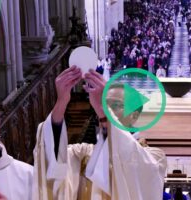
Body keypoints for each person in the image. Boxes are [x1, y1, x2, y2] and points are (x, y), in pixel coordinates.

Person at [33, 66, 167, 200]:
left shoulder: (154, 157)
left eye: (115, 105)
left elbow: (130, 162)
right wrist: (61, 101)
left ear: (134, 115)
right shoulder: (83, 153)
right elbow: (52, 160)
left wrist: (104, 114)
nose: (105, 109)